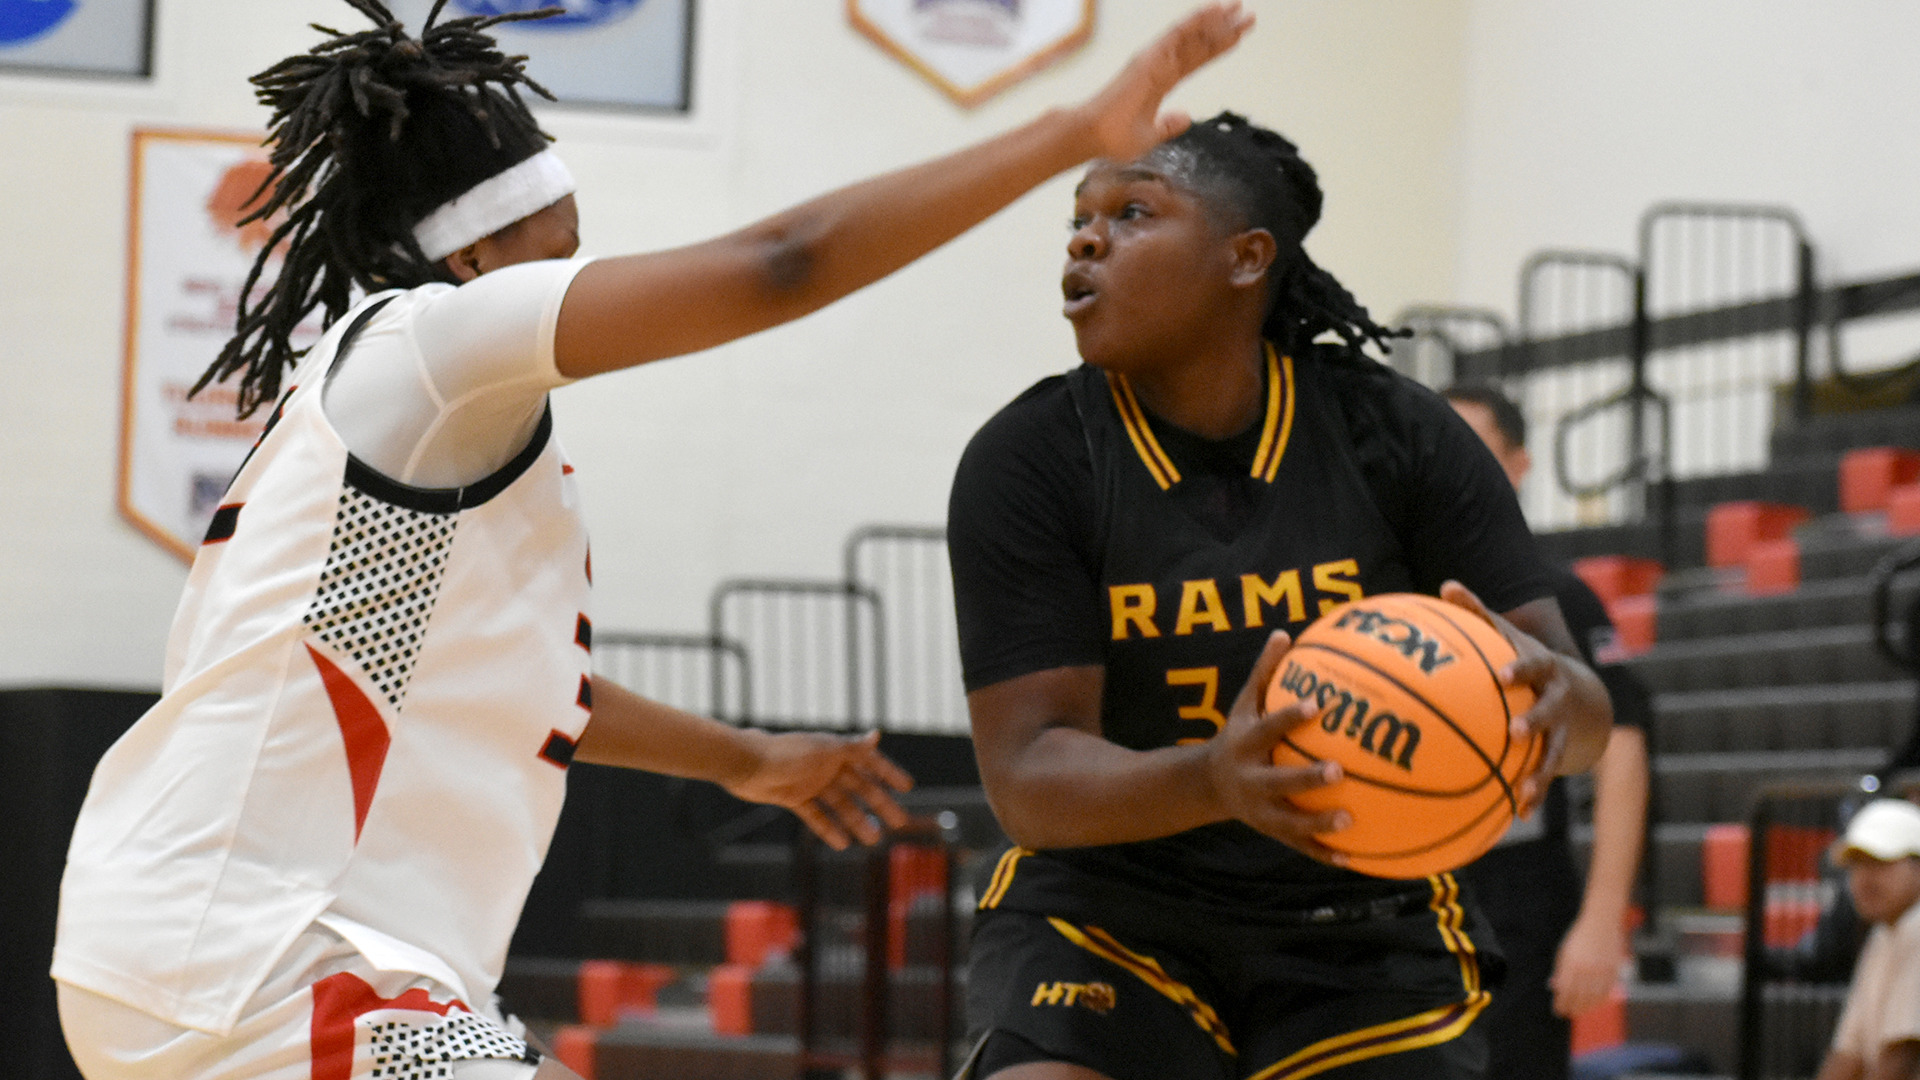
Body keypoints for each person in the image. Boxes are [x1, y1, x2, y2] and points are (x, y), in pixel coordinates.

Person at [50, 2, 1255, 1078]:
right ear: (473, 257)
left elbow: (522, 687)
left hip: (199, 951)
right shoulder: (435, 349)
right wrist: (1075, 131)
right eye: (555, 253)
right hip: (275, 967)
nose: (574, 285)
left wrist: (743, 760)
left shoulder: (396, 432)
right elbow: (783, 265)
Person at [946, 112, 1614, 1080]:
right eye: (1078, 221)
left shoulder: (1399, 433)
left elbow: (1582, 714)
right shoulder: (1032, 461)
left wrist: (1550, 706)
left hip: (1362, 926)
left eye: (1132, 212)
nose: (1087, 238)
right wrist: (1215, 777)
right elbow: (1029, 783)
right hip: (1109, 911)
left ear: (1246, 256)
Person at [1442, 384, 1653, 1080]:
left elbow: (1622, 753)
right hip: (1404, 883)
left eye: (1476, 449)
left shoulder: (1558, 595)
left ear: (1520, 465)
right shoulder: (1378, 592)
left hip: (1517, 893)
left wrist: (1600, 920)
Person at [1814, 798, 1920, 1080]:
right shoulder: (1885, 932)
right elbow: (1848, 1055)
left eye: (1879, 862)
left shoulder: (1916, 928)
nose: (1863, 878)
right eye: (1856, 864)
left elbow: (1900, 1058)